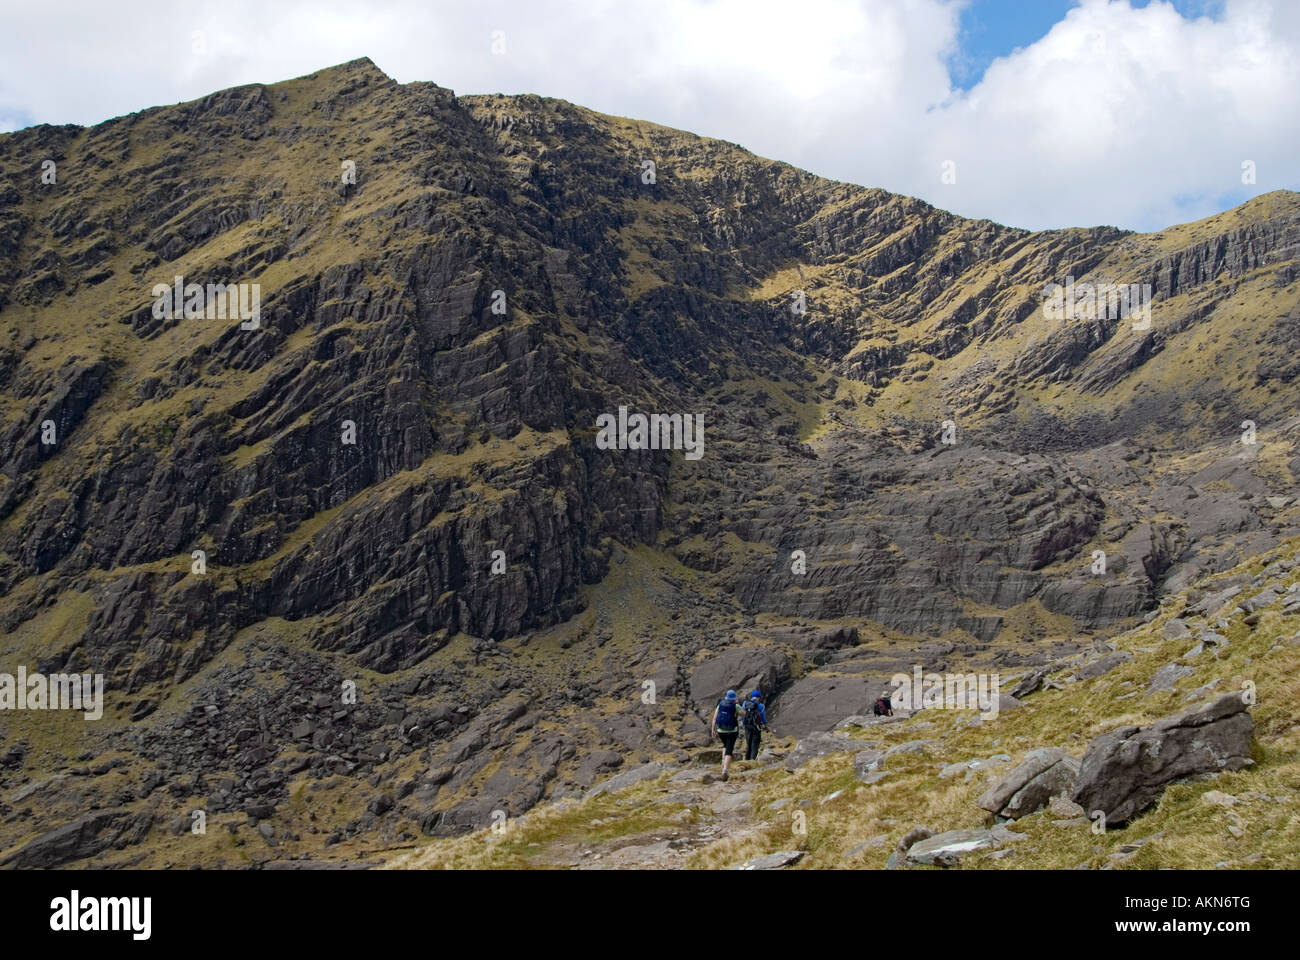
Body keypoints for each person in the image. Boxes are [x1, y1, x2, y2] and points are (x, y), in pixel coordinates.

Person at [711, 690, 741, 781]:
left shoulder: (720, 705)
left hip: (721, 730)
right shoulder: (735, 706)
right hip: (732, 731)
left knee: (725, 745)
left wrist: (713, 729)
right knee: (729, 750)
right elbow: (744, 714)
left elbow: (714, 718)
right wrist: (738, 705)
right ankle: (725, 771)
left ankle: (723, 764)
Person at [742, 689, 767, 760]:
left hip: (747, 727)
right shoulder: (761, 706)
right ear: (758, 697)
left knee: (748, 745)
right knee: (755, 745)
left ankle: (746, 761)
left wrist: (744, 725)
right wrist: (765, 726)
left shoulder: (745, 703)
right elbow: (763, 718)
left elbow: (742, 715)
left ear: (752, 696)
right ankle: (752, 761)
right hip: (756, 728)